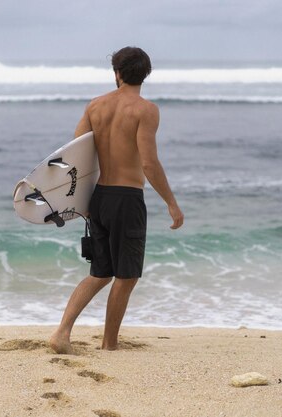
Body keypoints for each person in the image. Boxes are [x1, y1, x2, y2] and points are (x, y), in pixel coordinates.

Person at [49, 46, 184, 353]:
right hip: (127, 199)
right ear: (145, 74)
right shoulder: (145, 110)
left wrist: (79, 201)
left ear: (117, 73)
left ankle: (62, 332)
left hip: (99, 198)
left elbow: (74, 157)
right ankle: (110, 345)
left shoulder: (95, 106)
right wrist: (172, 204)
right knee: (126, 276)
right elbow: (149, 164)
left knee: (100, 273)